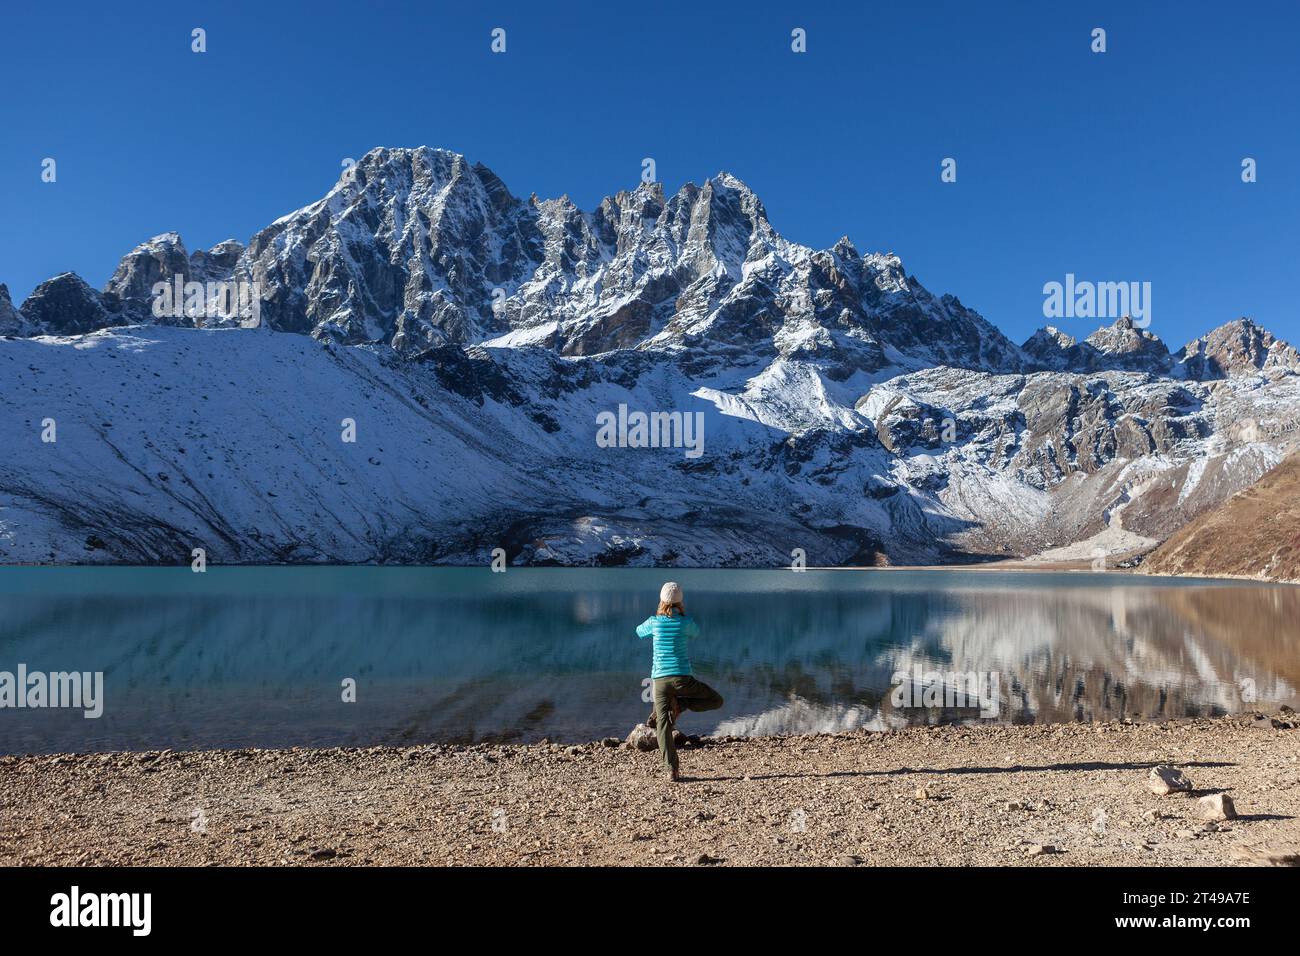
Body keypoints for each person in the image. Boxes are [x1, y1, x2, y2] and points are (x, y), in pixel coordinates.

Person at [635, 581, 724, 782]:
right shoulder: (686, 622)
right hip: (683, 679)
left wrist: (656, 620)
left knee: (663, 725)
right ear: (680, 602)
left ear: (661, 600)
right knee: (716, 700)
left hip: (659, 681)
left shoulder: (654, 622)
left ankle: (672, 769)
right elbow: (696, 633)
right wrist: (682, 617)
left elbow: (638, 631)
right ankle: (682, 704)